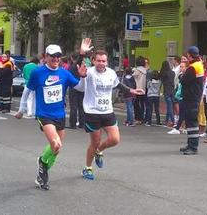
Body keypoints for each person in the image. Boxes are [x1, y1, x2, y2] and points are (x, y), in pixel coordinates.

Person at [15, 41, 89, 190]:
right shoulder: (38, 72)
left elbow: (80, 88)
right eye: (52, 56)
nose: (56, 59)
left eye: (58, 56)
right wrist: (21, 109)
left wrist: (83, 77)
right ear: (46, 57)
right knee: (55, 143)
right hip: (44, 114)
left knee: (57, 149)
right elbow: (27, 90)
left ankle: (42, 167)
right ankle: (43, 166)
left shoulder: (64, 73)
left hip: (60, 114)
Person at [76, 49, 144, 180]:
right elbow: (79, 70)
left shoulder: (111, 73)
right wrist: (82, 56)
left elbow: (118, 85)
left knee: (115, 139)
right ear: (94, 61)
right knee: (94, 142)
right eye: (99, 61)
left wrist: (132, 90)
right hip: (92, 112)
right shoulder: (89, 72)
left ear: (107, 62)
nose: (101, 63)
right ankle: (87, 167)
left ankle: (99, 151)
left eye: (104, 61)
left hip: (108, 111)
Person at [179, 46, 204, 155]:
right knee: (190, 122)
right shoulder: (198, 65)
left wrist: (181, 75)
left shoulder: (193, 67)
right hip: (194, 97)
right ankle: (190, 144)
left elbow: (184, 80)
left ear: (190, 55)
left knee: (192, 123)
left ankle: (193, 147)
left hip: (191, 98)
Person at [168, 61, 187, 135]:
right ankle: (179, 127)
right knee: (182, 113)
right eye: (181, 67)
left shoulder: (186, 76)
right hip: (180, 96)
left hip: (184, 96)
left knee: (184, 112)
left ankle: (182, 127)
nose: (181, 68)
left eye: (183, 67)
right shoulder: (180, 75)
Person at [67, 54, 85, 129]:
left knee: (73, 106)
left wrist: (81, 54)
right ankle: (82, 123)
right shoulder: (81, 67)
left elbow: (79, 60)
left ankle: (73, 124)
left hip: (73, 87)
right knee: (81, 106)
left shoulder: (73, 66)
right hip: (81, 86)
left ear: (71, 58)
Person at [160, 60, 175, 126]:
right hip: (172, 90)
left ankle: (172, 120)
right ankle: (167, 120)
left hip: (166, 91)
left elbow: (161, 81)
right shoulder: (172, 73)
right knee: (170, 106)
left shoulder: (163, 73)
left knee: (169, 107)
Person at [132, 56, 147, 123]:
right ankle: (142, 118)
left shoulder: (137, 70)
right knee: (142, 104)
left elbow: (133, 76)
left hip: (137, 89)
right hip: (143, 89)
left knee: (136, 104)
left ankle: (137, 118)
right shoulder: (145, 70)